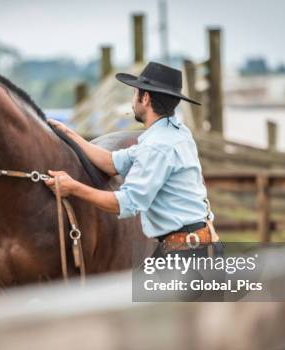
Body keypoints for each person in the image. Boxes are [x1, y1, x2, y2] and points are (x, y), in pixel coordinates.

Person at [45, 61, 220, 258]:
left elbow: (126, 203)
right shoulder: (175, 132)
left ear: (145, 98)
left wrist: (73, 187)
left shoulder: (157, 146)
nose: (133, 100)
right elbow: (112, 163)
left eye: (135, 93)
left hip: (186, 255)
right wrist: (70, 134)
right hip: (195, 247)